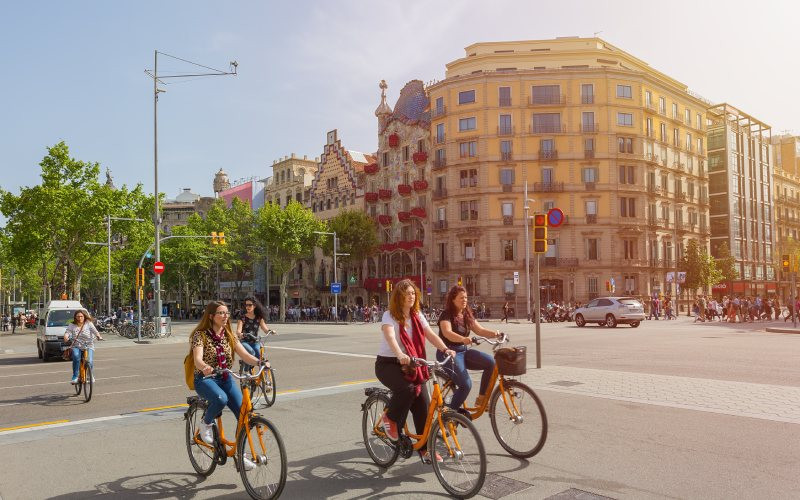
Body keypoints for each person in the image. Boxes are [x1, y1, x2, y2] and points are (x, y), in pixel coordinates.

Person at [375, 279, 455, 464]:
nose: (411, 296)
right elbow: (390, 336)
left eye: (413, 293)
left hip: (413, 364)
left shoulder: (417, 315)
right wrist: (400, 354)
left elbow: (430, 334)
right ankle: (390, 418)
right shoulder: (390, 315)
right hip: (388, 363)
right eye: (407, 293)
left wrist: (445, 349)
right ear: (399, 296)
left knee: (423, 408)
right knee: (407, 389)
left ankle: (425, 450)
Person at [191, 301, 264, 456]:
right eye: (221, 313)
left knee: (244, 414)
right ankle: (205, 425)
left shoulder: (229, 335)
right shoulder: (200, 335)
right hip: (205, 379)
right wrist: (204, 367)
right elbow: (197, 359)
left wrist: (260, 362)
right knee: (220, 398)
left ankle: (240, 454)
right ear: (211, 316)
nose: (225, 316)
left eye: (227, 313)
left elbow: (245, 355)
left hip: (225, 377)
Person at [437, 285, 500, 419]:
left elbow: (480, 330)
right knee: (466, 385)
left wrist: (496, 334)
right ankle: (448, 417)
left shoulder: (466, 314)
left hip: (462, 351)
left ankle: (482, 398)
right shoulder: (446, 314)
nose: (464, 300)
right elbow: (447, 333)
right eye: (461, 298)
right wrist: (463, 339)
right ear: (453, 299)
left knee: (491, 363)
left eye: (466, 297)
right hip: (448, 353)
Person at [62, 309, 103, 384]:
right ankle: (75, 376)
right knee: (76, 356)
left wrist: (98, 336)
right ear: (75, 317)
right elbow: (67, 332)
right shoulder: (72, 325)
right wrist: (66, 337)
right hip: (76, 345)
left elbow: (95, 331)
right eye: (78, 316)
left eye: (81, 316)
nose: (80, 318)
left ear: (84, 317)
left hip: (88, 345)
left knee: (89, 361)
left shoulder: (88, 323)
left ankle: (89, 375)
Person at [236, 296, 271, 367]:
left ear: (254, 306)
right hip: (244, 341)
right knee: (251, 352)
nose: (247, 307)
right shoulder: (242, 317)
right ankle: (246, 372)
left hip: (255, 341)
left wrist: (270, 331)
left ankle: (261, 375)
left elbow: (265, 329)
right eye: (246, 305)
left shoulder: (259, 318)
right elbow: (238, 330)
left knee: (259, 357)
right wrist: (240, 334)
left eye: (250, 305)